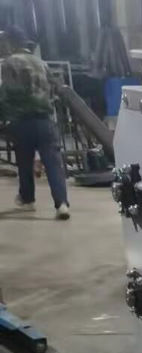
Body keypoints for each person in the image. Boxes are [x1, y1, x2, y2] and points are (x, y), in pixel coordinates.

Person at [0, 26, 70, 219]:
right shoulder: (41, 63)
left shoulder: (10, 63)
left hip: (22, 120)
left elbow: (6, 93)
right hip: (45, 120)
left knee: (24, 161)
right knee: (53, 163)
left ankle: (28, 199)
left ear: (11, 43)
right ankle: (62, 203)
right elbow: (55, 89)